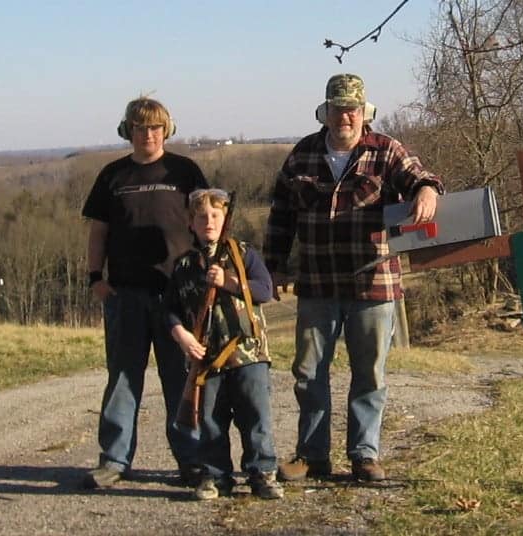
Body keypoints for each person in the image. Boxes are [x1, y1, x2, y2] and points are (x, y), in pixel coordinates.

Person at [263, 73, 444, 483]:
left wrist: (427, 192)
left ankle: (364, 455)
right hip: (317, 285)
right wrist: (272, 267)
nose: (346, 116)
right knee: (309, 374)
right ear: (325, 112)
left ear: (364, 113)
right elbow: (280, 217)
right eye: (338, 108)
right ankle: (312, 456)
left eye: (353, 109)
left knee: (370, 373)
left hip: (373, 283)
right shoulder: (302, 155)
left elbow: (422, 177)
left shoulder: (386, 150)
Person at [81, 97, 208, 488]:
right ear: (128, 131)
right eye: (140, 128)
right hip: (125, 294)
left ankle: (191, 460)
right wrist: (94, 278)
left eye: (155, 127)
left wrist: (206, 275)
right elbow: (98, 231)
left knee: (182, 379)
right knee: (122, 377)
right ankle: (115, 460)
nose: (148, 134)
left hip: (178, 295)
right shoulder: (112, 176)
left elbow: (208, 222)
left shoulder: (185, 171)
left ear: (166, 130)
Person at [165, 188, 284, 500]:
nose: (209, 222)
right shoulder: (183, 266)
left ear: (224, 220)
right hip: (207, 359)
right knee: (210, 421)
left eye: (215, 215)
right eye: (201, 216)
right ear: (190, 223)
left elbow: (264, 289)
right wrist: (182, 335)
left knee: (256, 417)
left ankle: (263, 474)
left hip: (248, 353)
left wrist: (229, 282)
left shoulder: (241, 254)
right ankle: (216, 477)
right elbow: (169, 309)